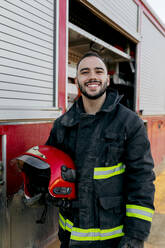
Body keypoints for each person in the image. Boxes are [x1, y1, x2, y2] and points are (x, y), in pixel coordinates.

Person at [46, 51, 155, 248]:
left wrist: (135, 237)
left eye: (98, 71)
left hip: (114, 240)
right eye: (85, 72)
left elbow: (142, 181)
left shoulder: (130, 124)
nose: (92, 76)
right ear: (77, 79)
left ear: (107, 78)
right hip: (70, 239)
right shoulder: (62, 125)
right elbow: (49, 171)